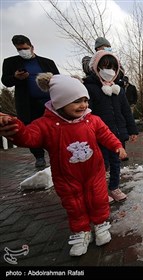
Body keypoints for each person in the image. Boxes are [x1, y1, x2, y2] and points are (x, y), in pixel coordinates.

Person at [0, 73, 127, 257]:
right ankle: (81, 231)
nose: (83, 105)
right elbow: (29, 136)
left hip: (94, 172)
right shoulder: (47, 124)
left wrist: (116, 146)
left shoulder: (92, 120)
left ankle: (100, 225)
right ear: (60, 102)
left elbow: (105, 134)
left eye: (85, 100)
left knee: (98, 199)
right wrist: (15, 129)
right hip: (66, 177)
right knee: (74, 205)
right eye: (76, 101)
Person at [84, 50, 139, 203]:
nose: (109, 71)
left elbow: (126, 111)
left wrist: (132, 130)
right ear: (96, 68)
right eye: (105, 67)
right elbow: (87, 114)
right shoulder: (90, 88)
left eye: (113, 68)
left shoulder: (118, 90)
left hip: (118, 134)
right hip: (100, 136)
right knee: (101, 164)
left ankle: (114, 187)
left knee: (116, 163)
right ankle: (100, 190)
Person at [1, 35, 60, 168]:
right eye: (19, 49)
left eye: (25, 48)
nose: (23, 51)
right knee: (31, 129)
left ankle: (56, 153)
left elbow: (58, 79)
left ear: (32, 47)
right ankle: (39, 156)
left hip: (48, 102)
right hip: (27, 104)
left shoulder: (47, 62)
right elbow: (6, 81)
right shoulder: (10, 62)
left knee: (53, 128)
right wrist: (16, 77)